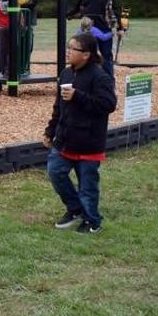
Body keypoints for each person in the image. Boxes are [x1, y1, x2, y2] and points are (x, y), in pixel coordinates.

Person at [43, 32, 118, 234]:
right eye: (68, 48)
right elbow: (58, 107)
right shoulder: (66, 74)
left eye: (72, 49)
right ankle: (75, 209)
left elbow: (108, 104)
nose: (68, 52)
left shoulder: (100, 76)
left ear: (86, 54)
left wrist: (78, 96)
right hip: (65, 140)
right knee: (55, 172)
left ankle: (93, 221)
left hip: (89, 142)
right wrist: (50, 131)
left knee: (87, 186)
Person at [67, 0, 122, 77]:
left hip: (103, 27)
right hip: (87, 30)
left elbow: (115, 10)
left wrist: (120, 28)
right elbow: (77, 7)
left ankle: (109, 83)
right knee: (86, 55)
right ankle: (85, 79)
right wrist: (69, 14)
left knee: (106, 56)